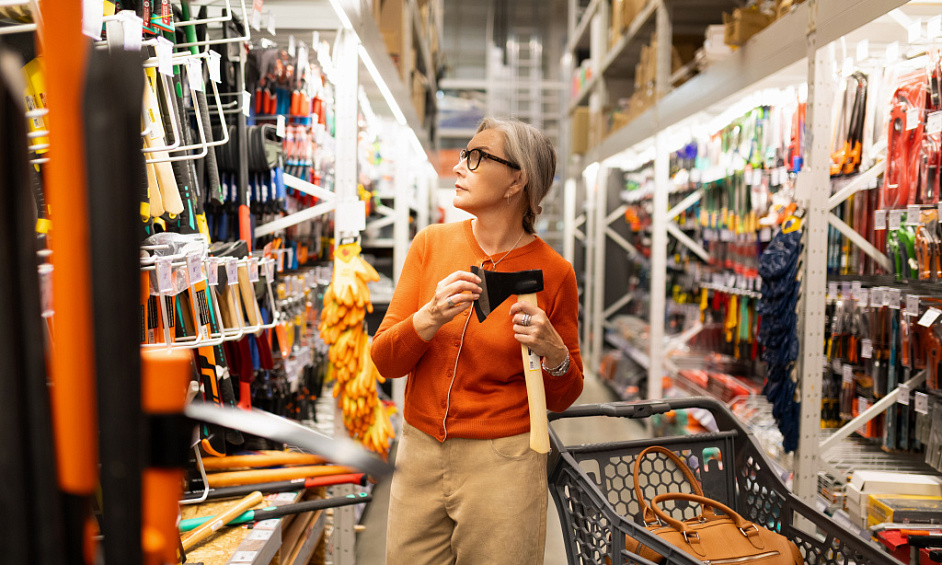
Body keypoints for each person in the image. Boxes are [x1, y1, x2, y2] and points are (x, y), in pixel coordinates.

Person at [370, 117, 584, 564]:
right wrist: (429, 317)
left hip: (504, 464)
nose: (458, 166)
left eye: (476, 157)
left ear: (516, 181)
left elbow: (564, 396)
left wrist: (555, 353)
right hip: (418, 453)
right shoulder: (430, 244)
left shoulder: (555, 272)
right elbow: (385, 361)